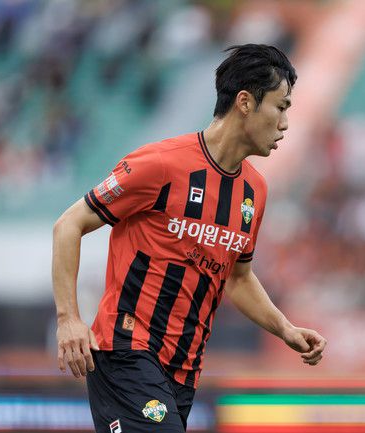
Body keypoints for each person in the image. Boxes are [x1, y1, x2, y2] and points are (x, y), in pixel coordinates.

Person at [52, 44, 327, 433]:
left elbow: (238, 277)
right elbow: (69, 224)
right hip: (126, 352)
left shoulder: (254, 191)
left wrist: (285, 328)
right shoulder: (160, 164)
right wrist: (68, 319)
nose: (285, 123)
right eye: (280, 107)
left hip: (183, 371)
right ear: (245, 102)